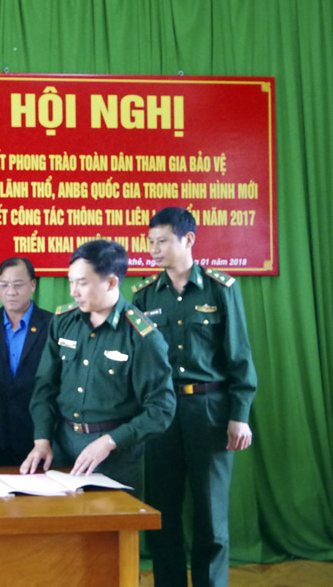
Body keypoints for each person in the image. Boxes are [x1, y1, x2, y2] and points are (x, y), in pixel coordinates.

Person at [132, 207, 258, 587]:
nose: (154, 249)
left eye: (162, 241)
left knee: (210, 513)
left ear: (188, 239)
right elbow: (140, 363)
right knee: (162, 510)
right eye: (151, 242)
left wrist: (240, 414)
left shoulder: (220, 289)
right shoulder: (143, 295)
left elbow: (239, 355)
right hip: (161, 414)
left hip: (210, 410)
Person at [20, 240, 175, 494]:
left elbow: (161, 409)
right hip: (62, 450)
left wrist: (110, 441)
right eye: (71, 282)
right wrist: (42, 439)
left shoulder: (142, 336)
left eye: (82, 283)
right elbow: (45, 387)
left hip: (115, 458)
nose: (73, 292)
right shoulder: (63, 322)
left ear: (111, 282)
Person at [0, 257, 53, 466]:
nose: (10, 292)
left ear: (33, 284)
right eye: (3, 285)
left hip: (36, 437)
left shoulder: (52, 325)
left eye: (18, 284)